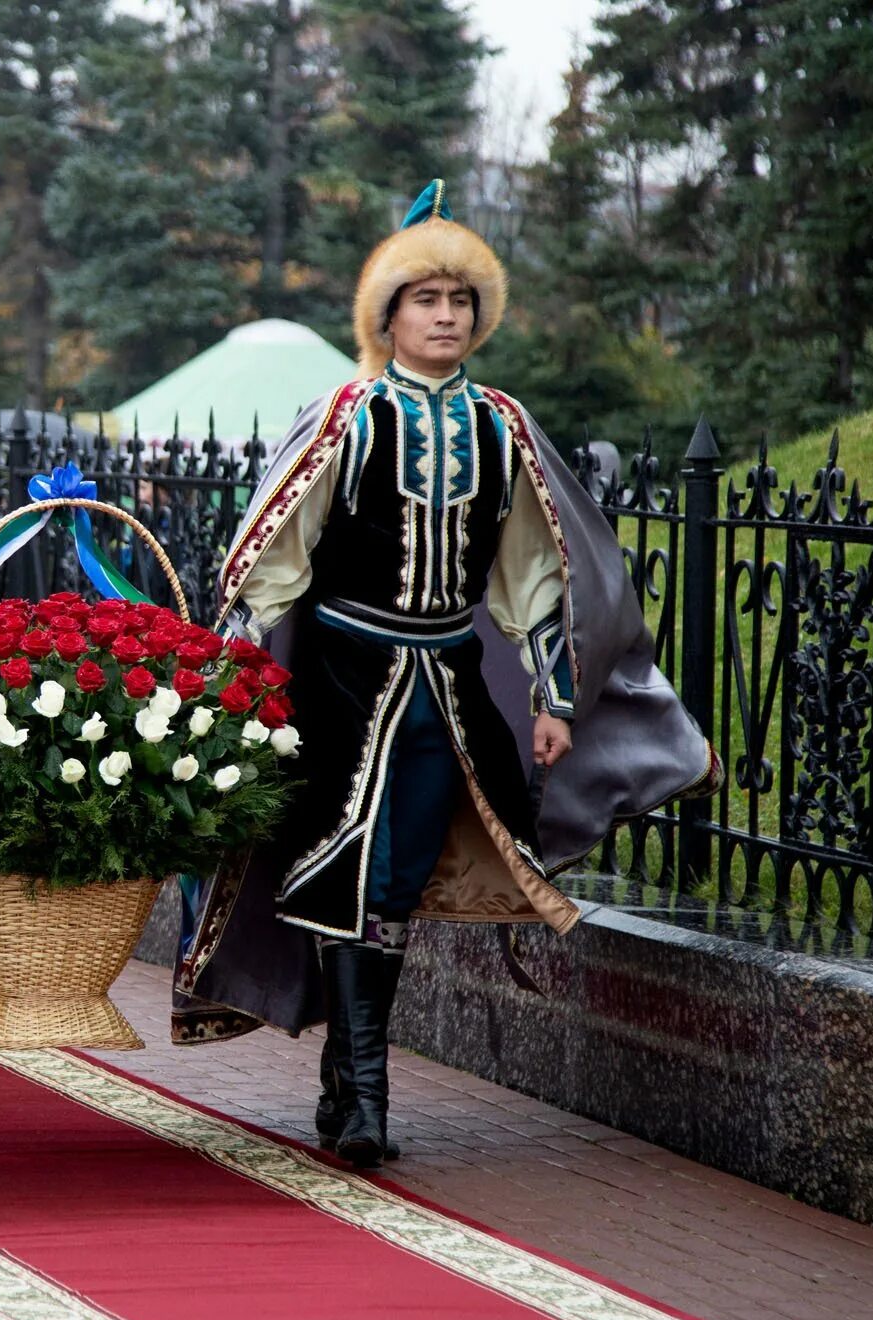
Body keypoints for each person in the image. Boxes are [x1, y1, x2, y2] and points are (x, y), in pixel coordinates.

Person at [173, 181, 719, 1168]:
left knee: (395, 880)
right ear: (386, 316)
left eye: (458, 302)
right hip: (340, 677)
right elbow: (274, 557)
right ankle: (366, 1087)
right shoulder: (345, 416)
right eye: (423, 300)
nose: (443, 317)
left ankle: (352, 1071)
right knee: (346, 865)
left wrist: (552, 698)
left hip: (445, 690)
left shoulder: (498, 423)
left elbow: (532, 573)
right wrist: (242, 677)